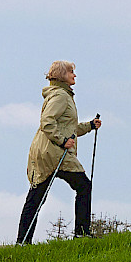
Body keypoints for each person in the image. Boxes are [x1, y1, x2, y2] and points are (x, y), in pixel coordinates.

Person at [17, 61, 102, 244]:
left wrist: (89, 126)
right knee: (83, 186)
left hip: (46, 151)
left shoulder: (62, 95)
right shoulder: (61, 96)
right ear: (62, 75)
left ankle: (22, 242)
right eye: (71, 72)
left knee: (37, 196)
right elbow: (47, 122)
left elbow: (68, 129)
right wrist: (63, 141)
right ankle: (81, 234)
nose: (75, 75)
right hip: (54, 152)